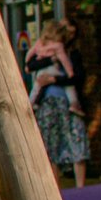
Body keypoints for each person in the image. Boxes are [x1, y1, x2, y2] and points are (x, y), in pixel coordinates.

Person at [24, 21, 89, 188]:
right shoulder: (46, 49)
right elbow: (30, 65)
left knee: (76, 139)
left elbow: (77, 77)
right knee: (51, 143)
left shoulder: (72, 54)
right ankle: (54, 187)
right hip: (48, 102)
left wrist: (54, 79)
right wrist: (51, 59)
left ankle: (80, 186)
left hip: (68, 103)